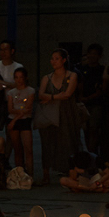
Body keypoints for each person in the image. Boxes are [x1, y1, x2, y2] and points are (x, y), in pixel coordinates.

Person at [37, 48, 82, 186]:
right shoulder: (47, 77)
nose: (53, 61)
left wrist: (50, 98)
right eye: (52, 59)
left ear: (64, 60)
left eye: (56, 58)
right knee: (47, 142)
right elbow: (41, 94)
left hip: (67, 113)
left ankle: (72, 174)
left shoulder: (72, 76)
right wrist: (55, 97)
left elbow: (67, 94)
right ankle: (46, 174)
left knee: (69, 142)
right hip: (50, 114)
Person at [5, 67, 36, 175]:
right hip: (14, 118)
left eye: (21, 77)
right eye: (16, 77)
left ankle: (30, 174)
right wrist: (20, 111)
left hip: (24, 120)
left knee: (28, 149)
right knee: (17, 149)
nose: (19, 80)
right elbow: (10, 109)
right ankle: (20, 174)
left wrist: (15, 119)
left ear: (25, 78)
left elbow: (28, 108)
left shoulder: (30, 91)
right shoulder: (11, 92)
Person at [76, 43, 106, 152]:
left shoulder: (102, 70)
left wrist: (87, 98)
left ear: (99, 56)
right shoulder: (82, 69)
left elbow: (101, 89)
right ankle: (89, 153)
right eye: (90, 53)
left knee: (94, 128)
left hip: (96, 104)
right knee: (86, 130)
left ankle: (93, 152)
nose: (92, 56)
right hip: (84, 104)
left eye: (95, 54)